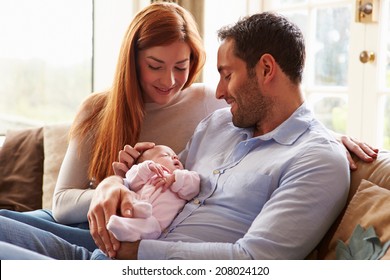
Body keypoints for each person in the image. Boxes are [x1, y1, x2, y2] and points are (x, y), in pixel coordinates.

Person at [0, 5, 379, 259]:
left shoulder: (316, 159)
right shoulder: (220, 124)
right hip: (111, 248)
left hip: (132, 257)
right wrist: (121, 182)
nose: (216, 91)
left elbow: (253, 261)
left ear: (266, 70)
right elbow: (167, 182)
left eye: (226, 75)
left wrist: (328, 138)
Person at [0, 2, 224, 252]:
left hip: (130, 234)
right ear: (133, 60)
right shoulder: (97, 109)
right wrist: (115, 186)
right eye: (155, 66)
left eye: (181, 67)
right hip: (85, 221)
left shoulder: (209, 102)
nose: (169, 80)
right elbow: (62, 203)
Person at [106, 144, 200, 242]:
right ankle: (121, 225)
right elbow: (130, 179)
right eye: (165, 155)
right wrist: (146, 167)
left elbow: (194, 186)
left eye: (175, 156)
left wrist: (174, 178)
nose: (175, 157)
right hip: (137, 206)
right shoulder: (145, 177)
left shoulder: (182, 177)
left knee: (148, 227)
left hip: (156, 223)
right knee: (131, 200)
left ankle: (122, 227)